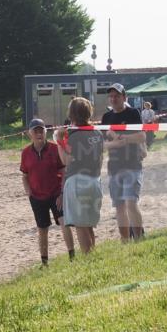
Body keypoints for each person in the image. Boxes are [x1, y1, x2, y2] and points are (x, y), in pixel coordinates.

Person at [20, 118, 75, 264]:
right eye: (36, 131)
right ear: (30, 134)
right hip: (37, 197)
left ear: (45, 132)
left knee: (64, 222)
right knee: (42, 229)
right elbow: (24, 175)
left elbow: (63, 171)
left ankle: (72, 257)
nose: (39, 134)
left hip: (56, 193)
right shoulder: (25, 153)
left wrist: (62, 193)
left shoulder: (54, 148)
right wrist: (29, 193)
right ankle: (44, 262)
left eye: (41, 130)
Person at [57, 97, 104, 254]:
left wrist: (59, 141)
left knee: (80, 225)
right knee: (88, 224)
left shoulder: (71, 134)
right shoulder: (97, 133)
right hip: (94, 180)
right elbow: (100, 158)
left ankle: (88, 259)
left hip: (77, 181)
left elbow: (65, 160)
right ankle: (93, 255)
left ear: (71, 114)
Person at [102, 84, 147, 241]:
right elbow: (103, 144)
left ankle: (139, 239)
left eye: (117, 96)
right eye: (111, 96)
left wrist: (123, 138)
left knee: (131, 203)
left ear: (124, 97)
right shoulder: (106, 117)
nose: (113, 99)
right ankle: (125, 241)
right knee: (119, 206)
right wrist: (115, 142)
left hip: (132, 165)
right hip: (114, 167)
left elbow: (141, 136)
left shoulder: (133, 113)